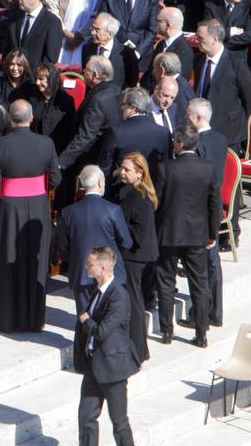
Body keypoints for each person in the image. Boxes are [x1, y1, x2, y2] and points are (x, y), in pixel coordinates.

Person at [0, 99, 61, 332]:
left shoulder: (0, 144)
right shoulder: (46, 143)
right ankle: (32, 319)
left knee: (7, 258)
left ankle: (5, 319)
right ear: (31, 118)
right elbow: (56, 179)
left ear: (10, 119)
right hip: (37, 208)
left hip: (7, 210)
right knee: (33, 262)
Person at [155, 124, 220, 348]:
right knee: (199, 284)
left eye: (175, 141)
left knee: (165, 282)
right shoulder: (208, 168)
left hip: (169, 234)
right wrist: (212, 234)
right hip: (197, 235)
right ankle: (201, 334)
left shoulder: (166, 168)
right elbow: (214, 204)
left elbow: (158, 203)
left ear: (181, 143)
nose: (173, 144)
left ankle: (166, 332)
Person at [74, 247, 139, 446]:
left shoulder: (118, 295)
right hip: (94, 366)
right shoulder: (98, 292)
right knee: (86, 418)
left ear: (103, 268)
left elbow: (102, 331)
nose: (86, 267)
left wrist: (86, 320)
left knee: (119, 422)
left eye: (89, 264)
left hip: (114, 369)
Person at [59, 165, 132, 313]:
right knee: (108, 319)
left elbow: (62, 246)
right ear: (100, 183)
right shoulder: (113, 210)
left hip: (82, 271)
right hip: (109, 272)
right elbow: (127, 242)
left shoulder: (68, 212)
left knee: (84, 319)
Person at [182, 98, 227, 329]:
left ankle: (200, 314)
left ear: (199, 118)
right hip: (214, 207)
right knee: (213, 263)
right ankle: (215, 311)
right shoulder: (220, 139)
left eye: (188, 114)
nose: (185, 117)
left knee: (201, 267)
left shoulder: (197, 144)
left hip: (199, 211)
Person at [115, 152, 158, 364]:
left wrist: (117, 226)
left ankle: (139, 350)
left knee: (134, 302)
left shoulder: (140, 198)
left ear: (139, 173)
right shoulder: (130, 192)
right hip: (133, 255)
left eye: (127, 170)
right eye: (121, 168)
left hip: (135, 256)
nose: (122, 173)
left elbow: (139, 233)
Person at [193, 19, 251, 148]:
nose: (196, 41)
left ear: (215, 38)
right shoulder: (199, 61)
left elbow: (249, 97)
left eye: (201, 38)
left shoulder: (236, 63)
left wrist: (239, 123)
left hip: (229, 133)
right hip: (202, 131)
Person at [99, 86, 170, 191]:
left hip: (120, 191)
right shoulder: (163, 132)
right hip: (149, 191)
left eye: (123, 104)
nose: (121, 108)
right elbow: (164, 166)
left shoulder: (116, 131)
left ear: (133, 108)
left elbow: (105, 166)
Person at [58, 56, 122, 172]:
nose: (83, 71)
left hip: (93, 158)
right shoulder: (115, 90)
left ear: (95, 75)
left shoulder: (98, 99)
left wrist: (61, 162)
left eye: (87, 70)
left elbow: (86, 136)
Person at [99, 0, 159, 76]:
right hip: (114, 54)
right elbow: (103, 25)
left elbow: (151, 31)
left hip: (141, 57)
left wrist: (137, 52)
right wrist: (116, 49)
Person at [204, 0, 251, 70]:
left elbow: (249, 36)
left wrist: (221, 41)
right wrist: (234, 31)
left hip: (241, 62)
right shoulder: (211, 6)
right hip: (218, 62)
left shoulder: (250, 7)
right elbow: (210, 33)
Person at [29, 62, 76, 154]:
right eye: (36, 79)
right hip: (35, 147)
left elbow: (69, 129)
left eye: (41, 79)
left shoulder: (66, 101)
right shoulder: (33, 98)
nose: (37, 83)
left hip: (56, 149)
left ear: (51, 80)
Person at [142, 7, 193, 88]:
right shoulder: (161, 44)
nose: (155, 23)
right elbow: (151, 71)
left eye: (158, 21)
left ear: (168, 25)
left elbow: (179, 82)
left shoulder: (184, 51)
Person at [80, 13, 126, 89]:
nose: (92, 33)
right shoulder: (87, 49)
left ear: (110, 34)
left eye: (97, 30)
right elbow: (86, 76)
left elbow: (131, 83)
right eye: (92, 28)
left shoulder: (125, 54)